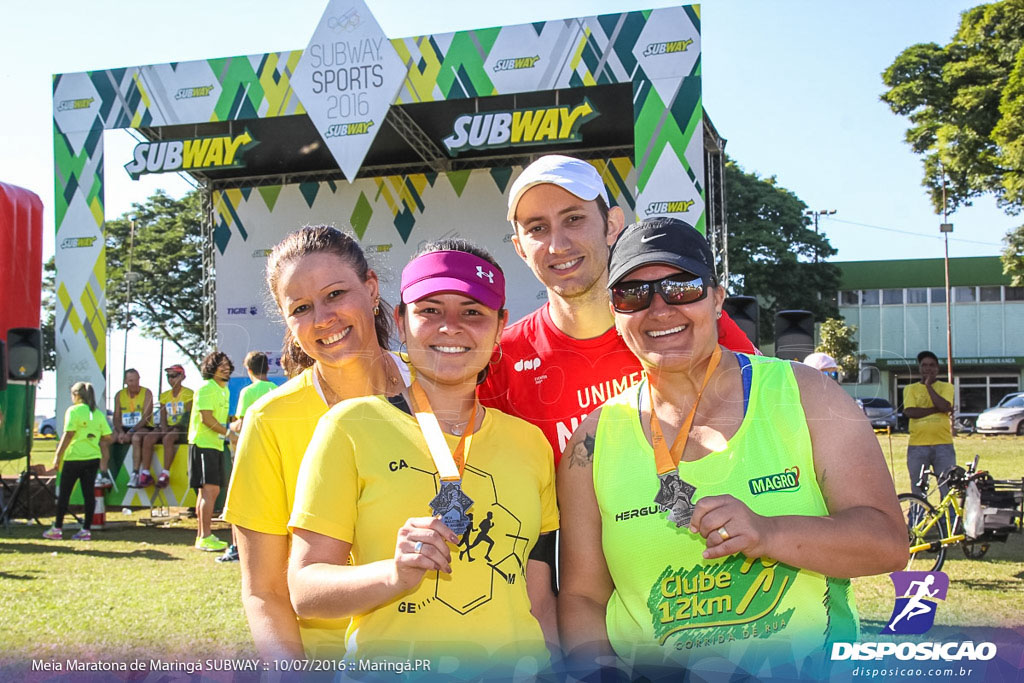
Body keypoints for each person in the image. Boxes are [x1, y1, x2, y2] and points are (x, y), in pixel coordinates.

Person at [557, 218, 907, 677]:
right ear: (615, 313)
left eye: (682, 287)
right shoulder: (592, 440)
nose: (660, 309)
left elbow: (886, 544)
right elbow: (583, 596)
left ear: (718, 298)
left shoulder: (807, 395)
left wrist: (770, 532)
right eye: (633, 294)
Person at [288, 240, 558, 674]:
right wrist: (392, 574)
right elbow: (305, 588)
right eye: (430, 310)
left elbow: (538, 596)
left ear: (500, 325)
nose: (451, 327)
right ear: (400, 320)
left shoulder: (530, 443)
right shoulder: (350, 427)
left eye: (473, 312)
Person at [480, 154, 757, 462]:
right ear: (520, 247)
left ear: (612, 225)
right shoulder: (500, 358)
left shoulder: (684, 322)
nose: (558, 245)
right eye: (537, 228)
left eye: (574, 219)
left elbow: (767, 413)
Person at [223, 226, 409, 659]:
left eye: (335, 294)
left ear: (372, 288)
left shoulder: (437, 386)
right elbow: (264, 592)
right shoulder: (270, 421)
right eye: (301, 308)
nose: (322, 318)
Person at [219, 352, 278, 564]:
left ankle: (236, 548)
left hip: (250, 452)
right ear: (268, 369)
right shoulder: (277, 389)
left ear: (249, 370)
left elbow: (242, 424)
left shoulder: (248, 391)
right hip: (274, 452)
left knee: (239, 500)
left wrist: (230, 426)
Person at [43, 382, 112, 541]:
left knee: (65, 494)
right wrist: (92, 438)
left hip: (74, 457)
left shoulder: (73, 410)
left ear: (77, 395)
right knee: (89, 494)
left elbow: (68, 434)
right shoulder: (98, 414)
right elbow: (108, 436)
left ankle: (57, 528)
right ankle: (86, 530)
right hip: (93, 457)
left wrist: (57, 455)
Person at [188, 351, 235, 553]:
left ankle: (203, 536)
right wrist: (229, 434)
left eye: (227, 364)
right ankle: (205, 536)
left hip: (215, 445)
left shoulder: (224, 389)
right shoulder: (206, 388)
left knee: (208, 491)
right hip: (202, 444)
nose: (225, 368)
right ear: (211, 368)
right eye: (220, 365)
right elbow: (206, 418)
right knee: (211, 490)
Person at [903, 350, 956, 498]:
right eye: (924, 365)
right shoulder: (910, 389)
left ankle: (949, 521)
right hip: (917, 445)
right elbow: (910, 412)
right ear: (919, 368)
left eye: (932, 365)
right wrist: (936, 409)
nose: (928, 368)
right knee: (918, 487)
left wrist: (928, 386)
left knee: (947, 486)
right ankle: (918, 519)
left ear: (937, 369)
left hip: (943, 445)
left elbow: (944, 406)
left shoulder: (947, 387)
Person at [140, 364, 193, 489]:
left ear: (182, 377)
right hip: (169, 426)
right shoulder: (164, 395)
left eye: (174, 376)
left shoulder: (188, 393)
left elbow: (187, 415)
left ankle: (165, 473)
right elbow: (163, 415)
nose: (171, 379)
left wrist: (174, 428)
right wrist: (163, 427)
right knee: (149, 438)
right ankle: (145, 473)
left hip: (182, 428)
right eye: (168, 376)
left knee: (168, 439)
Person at [113, 368, 155, 487]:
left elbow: (146, 417)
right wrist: (121, 432)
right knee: (106, 439)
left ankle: (135, 473)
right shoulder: (120, 395)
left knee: (136, 438)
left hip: (142, 427)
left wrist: (131, 432)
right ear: (126, 381)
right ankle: (104, 474)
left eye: (137, 380)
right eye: (131, 381)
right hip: (124, 427)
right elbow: (116, 417)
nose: (135, 384)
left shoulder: (147, 392)